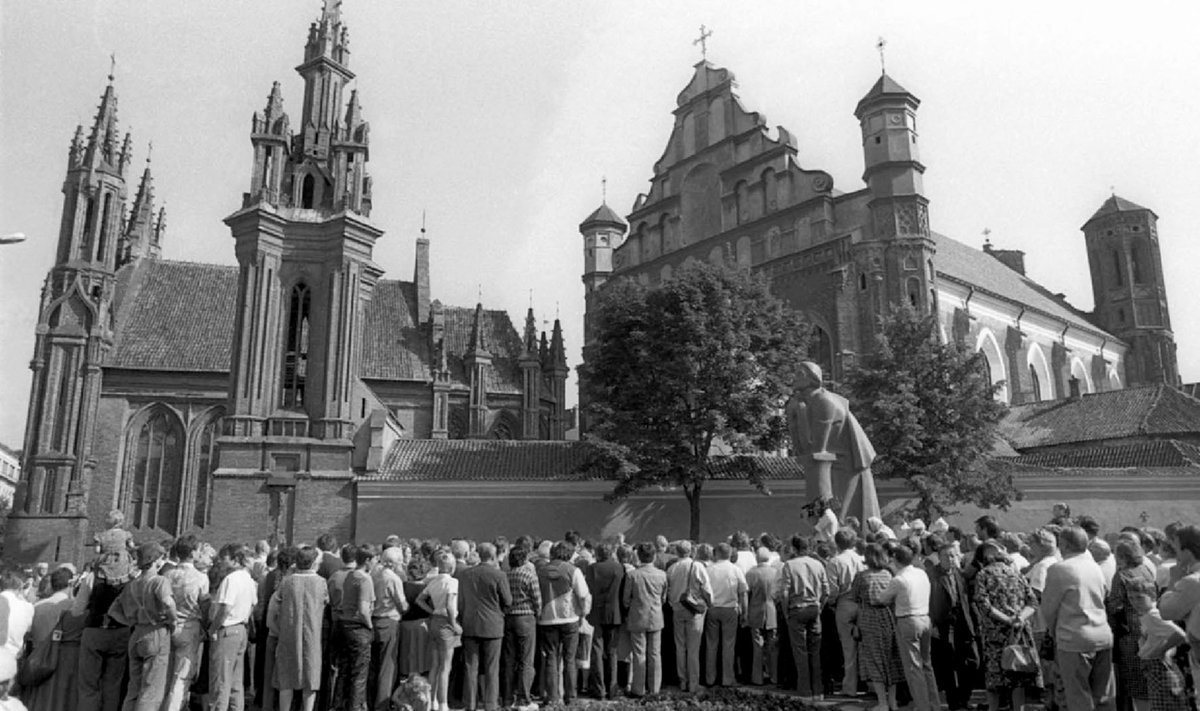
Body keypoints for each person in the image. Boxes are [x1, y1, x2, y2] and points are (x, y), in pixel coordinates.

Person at [1041, 526, 1115, 711]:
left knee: (1078, 696)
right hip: (1102, 634)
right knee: (1102, 697)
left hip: (1073, 637)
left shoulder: (1059, 569)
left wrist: (1053, 632)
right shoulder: (1096, 567)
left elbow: (1049, 609)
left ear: (1064, 545)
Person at [973, 540, 1039, 711]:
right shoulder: (1017, 574)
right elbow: (1033, 603)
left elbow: (984, 605)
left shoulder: (983, 575)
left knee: (994, 680)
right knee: (1017, 675)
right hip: (1019, 632)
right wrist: (1019, 618)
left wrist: (1006, 619)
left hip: (995, 633)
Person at [879, 542, 941, 711]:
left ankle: (922, 706)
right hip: (924, 617)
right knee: (926, 664)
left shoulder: (899, 579)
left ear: (895, 559)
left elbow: (882, 599)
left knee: (914, 668)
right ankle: (934, 704)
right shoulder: (921, 573)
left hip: (908, 620)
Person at [270, 546, 327, 711]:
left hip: (288, 634)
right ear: (313, 562)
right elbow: (325, 602)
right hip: (312, 635)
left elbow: (274, 606)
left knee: (286, 678)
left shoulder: (287, 581)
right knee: (310, 677)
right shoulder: (320, 582)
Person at [457, 542, 511, 711]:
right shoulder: (499, 575)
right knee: (491, 668)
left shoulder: (465, 575)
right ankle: (490, 704)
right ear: (493, 556)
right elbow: (508, 601)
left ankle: (470, 704)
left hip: (470, 624)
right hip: (493, 625)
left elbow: (460, 601)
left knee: (470, 667)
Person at [536, 540, 591, 706]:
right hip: (570, 618)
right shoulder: (573, 570)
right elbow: (583, 595)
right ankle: (570, 697)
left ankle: (553, 697)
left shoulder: (540, 571)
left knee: (551, 658)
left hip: (547, 619)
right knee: (569, 659)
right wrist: (583, 613)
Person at [928, 534, 977, 711]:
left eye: (954, 555)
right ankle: (954, 702)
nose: (951, 559)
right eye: (947, 556)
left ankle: (965, 697)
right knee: (948, 664)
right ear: (939, 557)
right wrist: (931, 623)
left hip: (963, 622)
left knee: (972, 660)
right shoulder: (932, 575)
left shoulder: (960, 573)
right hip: (943, 623)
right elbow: (928, 601)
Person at [852, 543, 904, 711]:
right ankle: (893, 701)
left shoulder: (862, 577)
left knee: (874, 659)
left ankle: (882, 702)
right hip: (888, 616)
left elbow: (855, 597)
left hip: (868, 617)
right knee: (891, 659)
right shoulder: (889, 575)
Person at [207, 543, 257, 711]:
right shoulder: (248, 579)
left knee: (220, 680)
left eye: (225, 558)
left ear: (235, 560)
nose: (221, 561)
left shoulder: (231, 579)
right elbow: (253, 605)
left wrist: (213, 628)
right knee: (236, 681)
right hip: (241, 629)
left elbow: (226, 608)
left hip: (227, 630)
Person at [163, 535, 210, 711]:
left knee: (166, 673)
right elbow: (204, 605)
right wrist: (206, 625)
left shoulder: (168, 574)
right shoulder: (200, 577)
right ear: (192, 553)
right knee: (182, 675)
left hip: (169, 625)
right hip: (189, 625)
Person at [779, 535, 829, 700]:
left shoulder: (789, 565)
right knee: (815, 650)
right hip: (814, 607)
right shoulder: (818, 564)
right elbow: (826, 591)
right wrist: (820, 606)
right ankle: (818, 690)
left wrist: (785, 612)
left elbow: (784, 592)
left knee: (800, 651)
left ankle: (805, 689)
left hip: (797, 608)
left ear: (794, 548)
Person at [1108, 539, 1155, 711]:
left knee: (1131, 679)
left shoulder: (1122, 575)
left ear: (1121, 556)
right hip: (1148, 625)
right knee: (1148, 676)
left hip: (1129, 631)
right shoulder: (1146, 570)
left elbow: (1115, 605)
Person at [20, 566, 73, 711]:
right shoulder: (73, 608)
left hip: (37, 662)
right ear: (70, 584)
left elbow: (28, 635)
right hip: (63, 664)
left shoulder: (37, 606)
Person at [622, 542, 668, 697]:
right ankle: (654, 688)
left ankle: (638, 688)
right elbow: (663, 598)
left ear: (639, 556)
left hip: (637, 616)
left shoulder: (632, 575)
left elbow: (626, 600)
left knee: (638, 654)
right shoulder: (662, 575)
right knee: (655, 654)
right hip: (655, 616)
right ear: (654, 556)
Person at [666, 540, 711, 693]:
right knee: (693, 648)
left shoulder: (671, 568)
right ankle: (693, 682)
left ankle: (682, 681)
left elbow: (668, 590)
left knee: (680, 647)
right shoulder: (697, 566)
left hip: (677, 608)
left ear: (677, 552)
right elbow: (707, 589)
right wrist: (708, 603)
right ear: (691, 551)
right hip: (694, 610)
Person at [417, 551, 460, 711]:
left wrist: (432, 611)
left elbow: (419, 600)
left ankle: (431, 701)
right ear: (452, 567)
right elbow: (450, 605)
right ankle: (443, 704)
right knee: (445, 667)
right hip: (446, 622)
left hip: (434, 621)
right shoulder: (453, 582)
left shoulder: (433, 581)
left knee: (435, 665)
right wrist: (454, 624)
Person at [827, 529, 865, 697]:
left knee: (848, 648)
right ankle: (869, 683)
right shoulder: (861, 559)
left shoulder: (835, 561)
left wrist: (831, 602)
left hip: (845, 601)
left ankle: (850, 686)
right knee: (865, 646)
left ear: (837, 543)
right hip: (861, 603)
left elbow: (833, 589)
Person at [338, 544, 377, 711]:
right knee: (360, 674)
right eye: (374, 559)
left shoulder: (350, 575)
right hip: (358, 627)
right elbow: (363, 609)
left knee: (345, 670)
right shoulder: (364, 579)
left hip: (344, 626)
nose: (375, 562)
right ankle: (356, 707)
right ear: (367, 560)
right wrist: (370, 627)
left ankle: (340, 704)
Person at [370, 546, 409, 711]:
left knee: (373, 665)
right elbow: (402, 605)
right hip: (389, 620)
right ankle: (382, 704)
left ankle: (369, 701)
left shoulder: (373, 574)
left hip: (373, 620)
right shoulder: (393, 579)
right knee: (387, 667)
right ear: (394, 563)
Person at [502, 545, 541, 709]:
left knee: (509, 660)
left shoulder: (505, 575)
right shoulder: (529, 575)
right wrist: (538, 614)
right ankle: (523, 698)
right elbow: (537, 600)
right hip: (526, 617)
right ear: (524, 559)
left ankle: (507, 698)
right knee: (526, 660)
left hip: (509, 617)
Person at [584, 541, 624, 700]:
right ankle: (612, 689)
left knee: (597, 651)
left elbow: (589, 589)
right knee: (612, 652)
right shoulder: (619, 568)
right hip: (614, 612)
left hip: (596, 612)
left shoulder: (591, 568)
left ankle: (599, 689)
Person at [705, 542, 748, 688]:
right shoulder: (735, 570)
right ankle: (727, 678)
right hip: (730, 609)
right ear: (730, 554)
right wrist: (744, 612)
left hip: (712, 608)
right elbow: (743, 592)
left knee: (711, 644)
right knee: (729, 645)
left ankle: (710, 678)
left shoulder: (709, 569)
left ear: (716, 553)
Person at [745, 547, 781, 686]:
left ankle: (757, 677)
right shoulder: (776, 572)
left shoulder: (751, 573)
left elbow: (747, 594)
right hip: (772, 610)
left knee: (757, 645)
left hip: (755, 610)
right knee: (773, 645)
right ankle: (774, 676)